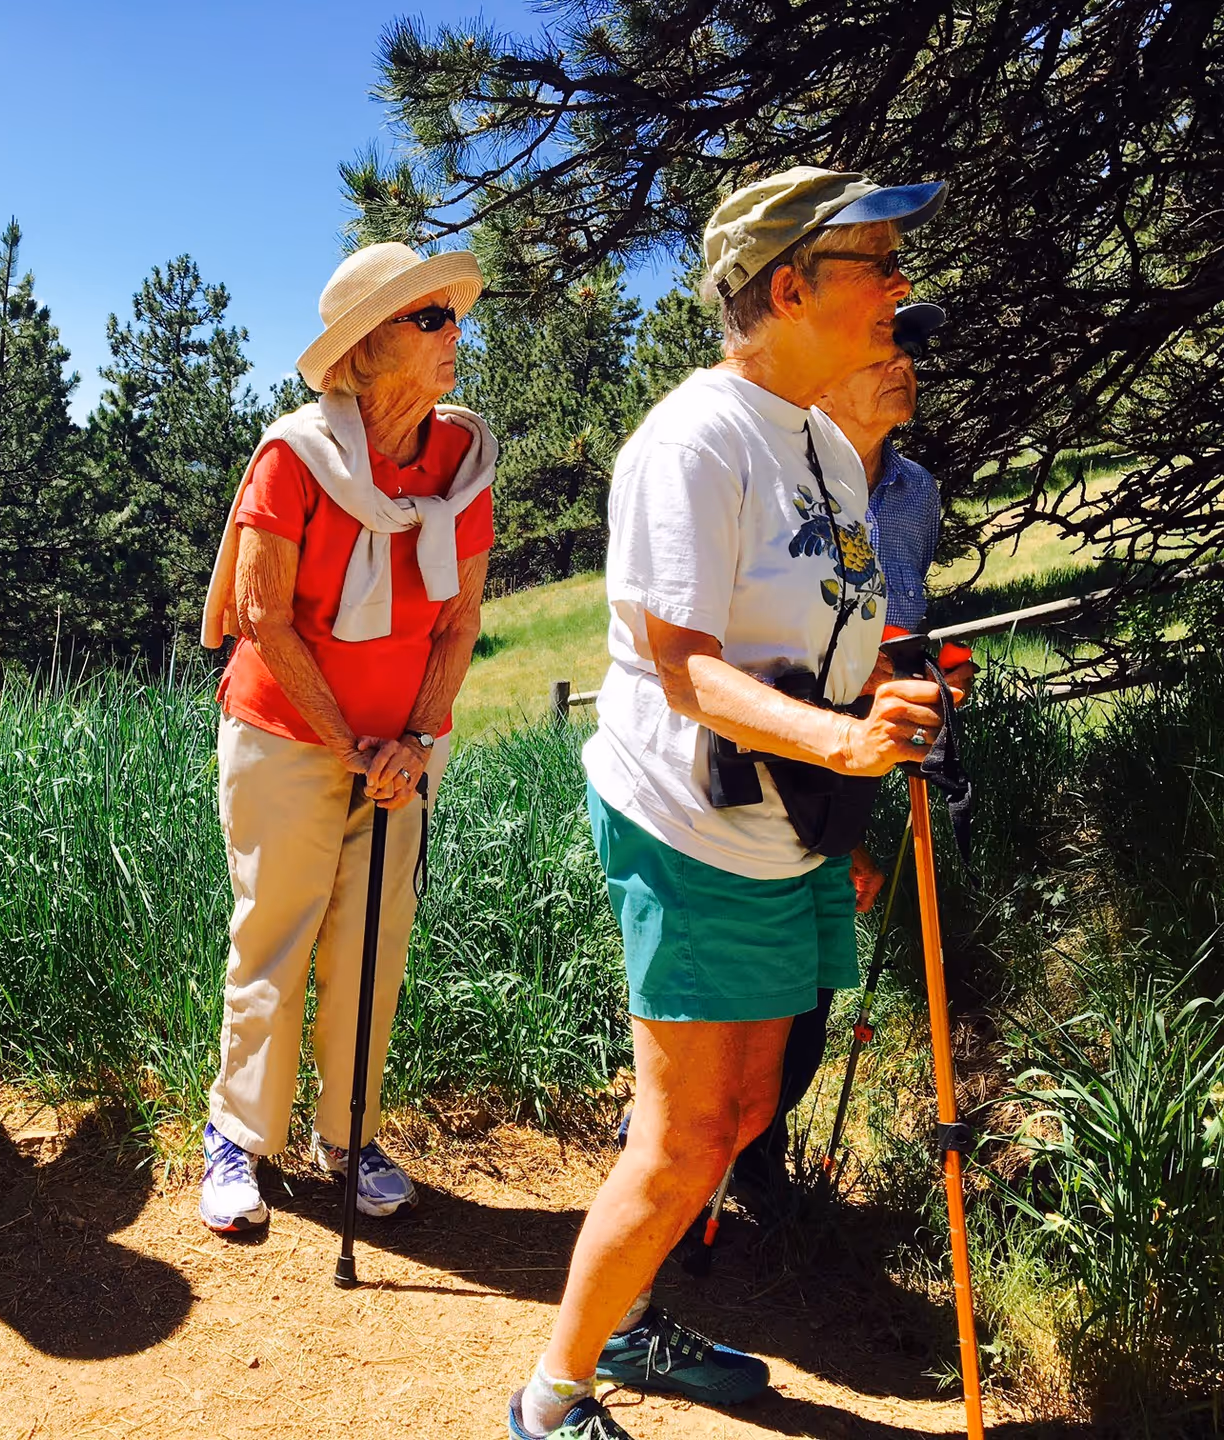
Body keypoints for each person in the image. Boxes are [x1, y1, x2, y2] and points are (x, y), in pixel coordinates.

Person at [507, 168, 951, 1440]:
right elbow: (680, 665)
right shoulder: (695, 439)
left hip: (791, 819)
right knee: (688, 1133)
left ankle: (635, 1323)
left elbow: (833, 622)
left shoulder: (820, 438)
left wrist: (892, 715)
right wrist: (849, 741)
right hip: (688, 824)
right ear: (789, 286)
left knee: (750, 1109)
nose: (900, 286)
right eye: (877, 263)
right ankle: (553, 1395)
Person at [196, 242, 495, 1234]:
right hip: (286, 736)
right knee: (274, 937)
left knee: (376, 946)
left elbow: (459, 624)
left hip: (405, 749)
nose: (455, 332)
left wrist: (410, 737)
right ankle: (237, 1138)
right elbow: (261, 614)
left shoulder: (463, 462)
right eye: (431, 318)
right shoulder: (296, 456)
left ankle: (349, 1134)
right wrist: (352, 743)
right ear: (367, 349)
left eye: (452, 314)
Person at [731, 300, 976, 1209]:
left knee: (824, 958)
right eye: (885, 346)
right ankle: (693, 1151)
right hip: (783, 742)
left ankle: (751, 1164)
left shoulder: (915, 494)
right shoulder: (782, 476)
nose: (905, 362)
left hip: (873, 747)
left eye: (913, 348)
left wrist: (927, 665)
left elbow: (899, 609)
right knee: (764, 959)